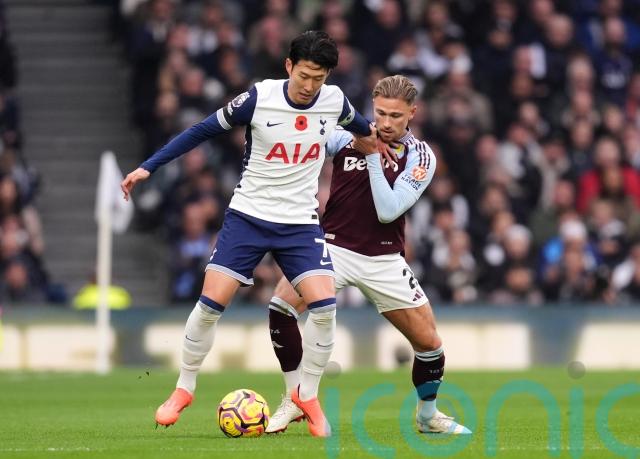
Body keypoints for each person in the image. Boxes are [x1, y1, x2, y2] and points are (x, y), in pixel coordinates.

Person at [121, 31, 375, 437]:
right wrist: (148, 166)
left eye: (319, 78)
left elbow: (367, 133)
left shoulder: (335, 101)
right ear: (289, 66)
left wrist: (391, 147)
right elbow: (201, 130)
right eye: (304, 75)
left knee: (325, 307)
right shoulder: (260, 98)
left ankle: (306, 396)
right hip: (249, 217)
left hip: (300, 222)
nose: (310, 86)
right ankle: (184, 388)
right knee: (210, 305)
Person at [265, 75, 471, 435]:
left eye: (395, 115)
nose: (386, 123)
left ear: (412, 113)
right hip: (332, 249)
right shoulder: (347, 136)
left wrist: (373, 156)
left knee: (430, 344)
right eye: (380, 114)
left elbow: (388, 211)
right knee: (280, 307)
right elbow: (307, 139)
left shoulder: (420, 155)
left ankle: (427, 416)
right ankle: (295, 397)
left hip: (383, 259)